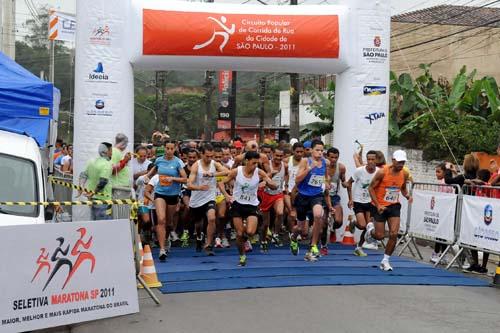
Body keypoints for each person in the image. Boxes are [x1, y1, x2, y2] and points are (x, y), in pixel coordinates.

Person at [220, 151, 277, 266]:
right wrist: (226, 195)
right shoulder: (237, 171)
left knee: (250, 232)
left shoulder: (259, 172)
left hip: (251, 205)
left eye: (257, 163)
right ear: (246, 161)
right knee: (240, 233)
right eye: (253, 163)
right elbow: (221, 183)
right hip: (237, 204)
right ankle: (242, 256)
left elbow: (272, 184)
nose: (255, 165)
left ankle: (244, 240)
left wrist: (269, 183)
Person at [365, 150, 412, 271]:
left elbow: (402, 188)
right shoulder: (382, 172)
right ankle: (370, 231)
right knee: (379, 236)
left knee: (394, 234)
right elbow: (370, 188)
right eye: (399, 162)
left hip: (394, 206)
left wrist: (407, 195)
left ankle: (385, 260)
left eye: (403, 162)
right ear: (393, 160)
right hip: (379, 206)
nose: (401, 164)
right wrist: (378, 205)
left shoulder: (404, 174)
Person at [144, 140, 188, 261]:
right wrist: (148, 176)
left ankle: (167, 238)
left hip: (173, 195)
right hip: (160, 193)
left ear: (175, 149)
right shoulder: (159, 160)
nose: (169, 151)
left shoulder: (178, 162)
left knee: (169, 223)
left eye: (171, 149)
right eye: (167, 148)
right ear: (164, 148)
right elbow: (153, 170)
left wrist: (172, 178)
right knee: (161, 220)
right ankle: (162, 249)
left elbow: (185, 179)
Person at [289, 139, 332, 262]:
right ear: (311, 150)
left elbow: (325, 177)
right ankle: (293, 237)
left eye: (322, 150)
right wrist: (309, 169)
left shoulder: (325, 162)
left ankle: (313, 245)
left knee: (318, 215)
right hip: (303, 196)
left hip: (316, 195)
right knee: (301, 229)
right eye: (317, 150)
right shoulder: (305, 161)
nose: (320, 152)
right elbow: (297, 180)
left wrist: (326, 183)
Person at [187, 144, 229, 255]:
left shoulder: (214, 164)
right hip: (196, 199)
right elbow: (189, 184)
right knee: (198, 224)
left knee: (211, 218)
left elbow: (227, 172)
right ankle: (199, 237)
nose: (209, 158)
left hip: (210, 197)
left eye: (211, 156)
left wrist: (213, 174)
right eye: (207, 156)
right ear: (202, 154)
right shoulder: (196, 166)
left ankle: (209, 245)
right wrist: (199, 187)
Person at [347, 150, 379, 257]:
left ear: (376, 160)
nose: (370, 161)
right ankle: (353, 221)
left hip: (371, 202)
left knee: (367, 227)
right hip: (359, 201)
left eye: (372, 159)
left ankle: (359, 247)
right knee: (362, 225)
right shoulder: (359, 171)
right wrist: (350, 199)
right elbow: (349, 183)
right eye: (368, 159)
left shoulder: (379, 172)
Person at [259, 147, 288, 252]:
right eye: (277, 155)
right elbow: (262, 177)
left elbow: (286, 175)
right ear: (272, 155)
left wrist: (286, 186)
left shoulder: (285, 166)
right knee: (265, 223)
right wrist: (269, 176)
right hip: (266, 195)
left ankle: (275, 234)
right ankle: (263, 241)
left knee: (280, 213)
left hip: (278, 194)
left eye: (281, 156)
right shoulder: (267, 165)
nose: (279, 158)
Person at [320, 147, 348, 255]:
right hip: (322, 198)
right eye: (331, 157)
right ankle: (324, 246)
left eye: (336, 157)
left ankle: (333, 229)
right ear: (327, 157)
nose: (333, 160)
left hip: (334, 197)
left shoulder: (341, 168)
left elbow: (344, 182)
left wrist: (347, 185)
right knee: (323, 224)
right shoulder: (321, 167)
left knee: (339, 221)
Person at [78, 142, 113, 221]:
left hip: (92, 199)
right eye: (111, 151)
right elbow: (103, 182)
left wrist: (81, 187)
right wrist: (93, 193)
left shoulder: (91, 161)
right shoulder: (107, 164)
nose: (112, 153)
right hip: (103, 200)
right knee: (104, 226)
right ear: (106, 151)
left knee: (94, 224)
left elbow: (83, 175)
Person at [284, 142, 304, 236]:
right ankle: (291, 232)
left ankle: (295, 232)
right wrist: (286, 187)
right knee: (290, 211)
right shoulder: (287, 161)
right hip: (288, 191)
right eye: (297, 151)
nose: (299, 154)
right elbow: (284, 175)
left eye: (301, 152)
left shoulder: (305, 162)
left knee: (299, 212)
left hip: (300, 191)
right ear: (293, 151)